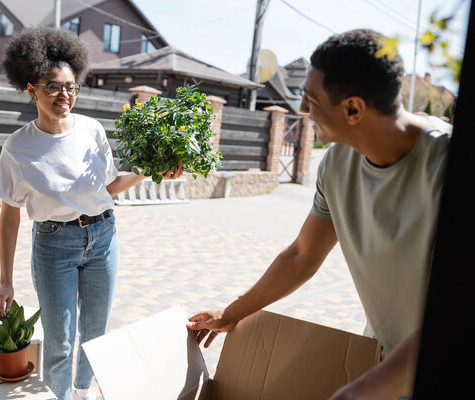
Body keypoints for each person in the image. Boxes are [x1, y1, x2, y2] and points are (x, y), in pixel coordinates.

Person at [187, 28, 452, 400]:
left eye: (310, 100)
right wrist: (232, 313)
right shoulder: (337, 162)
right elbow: (301, 256)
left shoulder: (443, 165)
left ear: (353, 109)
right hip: (384, 363)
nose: (302, 111)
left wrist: (355, 393)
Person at [0, 27, 182, 400]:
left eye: (71, 86)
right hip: (53, 245)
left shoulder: (92, 130)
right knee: (61, 341)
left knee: (96, 335)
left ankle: (82, 393)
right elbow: (10, 215)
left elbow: (106, 187)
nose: (65, 94)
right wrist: (5, 280)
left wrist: (150, 170)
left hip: (103, 238)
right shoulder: (17, 148)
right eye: (53, 86)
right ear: (31, 89)